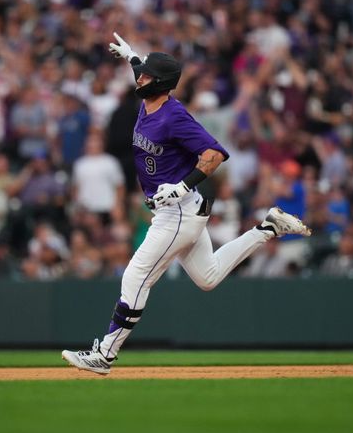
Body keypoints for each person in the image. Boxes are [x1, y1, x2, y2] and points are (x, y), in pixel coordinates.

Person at [61, 33, 311, 375]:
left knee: (136, 276)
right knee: (207, 277)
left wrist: (181, 186)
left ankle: (105, 355)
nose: (141, 77)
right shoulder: (150, 101)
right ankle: (268, 227)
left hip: (179, 210)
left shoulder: (173, 116)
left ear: (160, 83)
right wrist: (132, 56)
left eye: (147, 75)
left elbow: (215, 154)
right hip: (177, 210)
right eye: (142, 73)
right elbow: (142, 75)